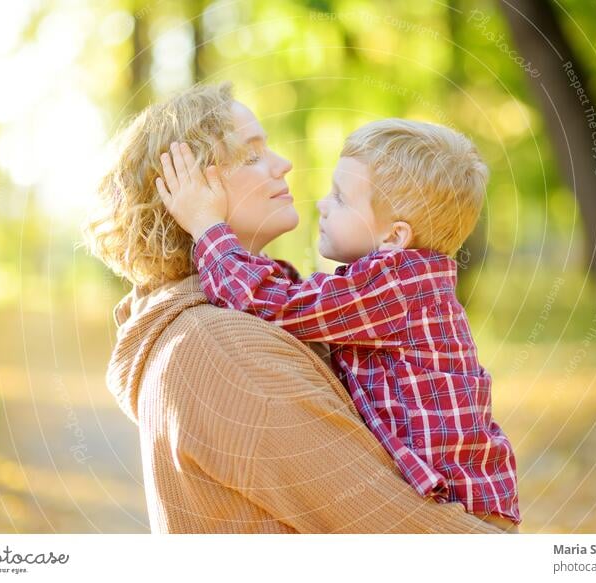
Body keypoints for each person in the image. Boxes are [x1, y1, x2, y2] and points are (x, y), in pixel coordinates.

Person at [83, 82, 504, 533]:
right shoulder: (223, 348)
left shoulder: (227, 324)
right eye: (252, 155)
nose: (283, 165)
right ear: (186, 196)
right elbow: (398, 531)